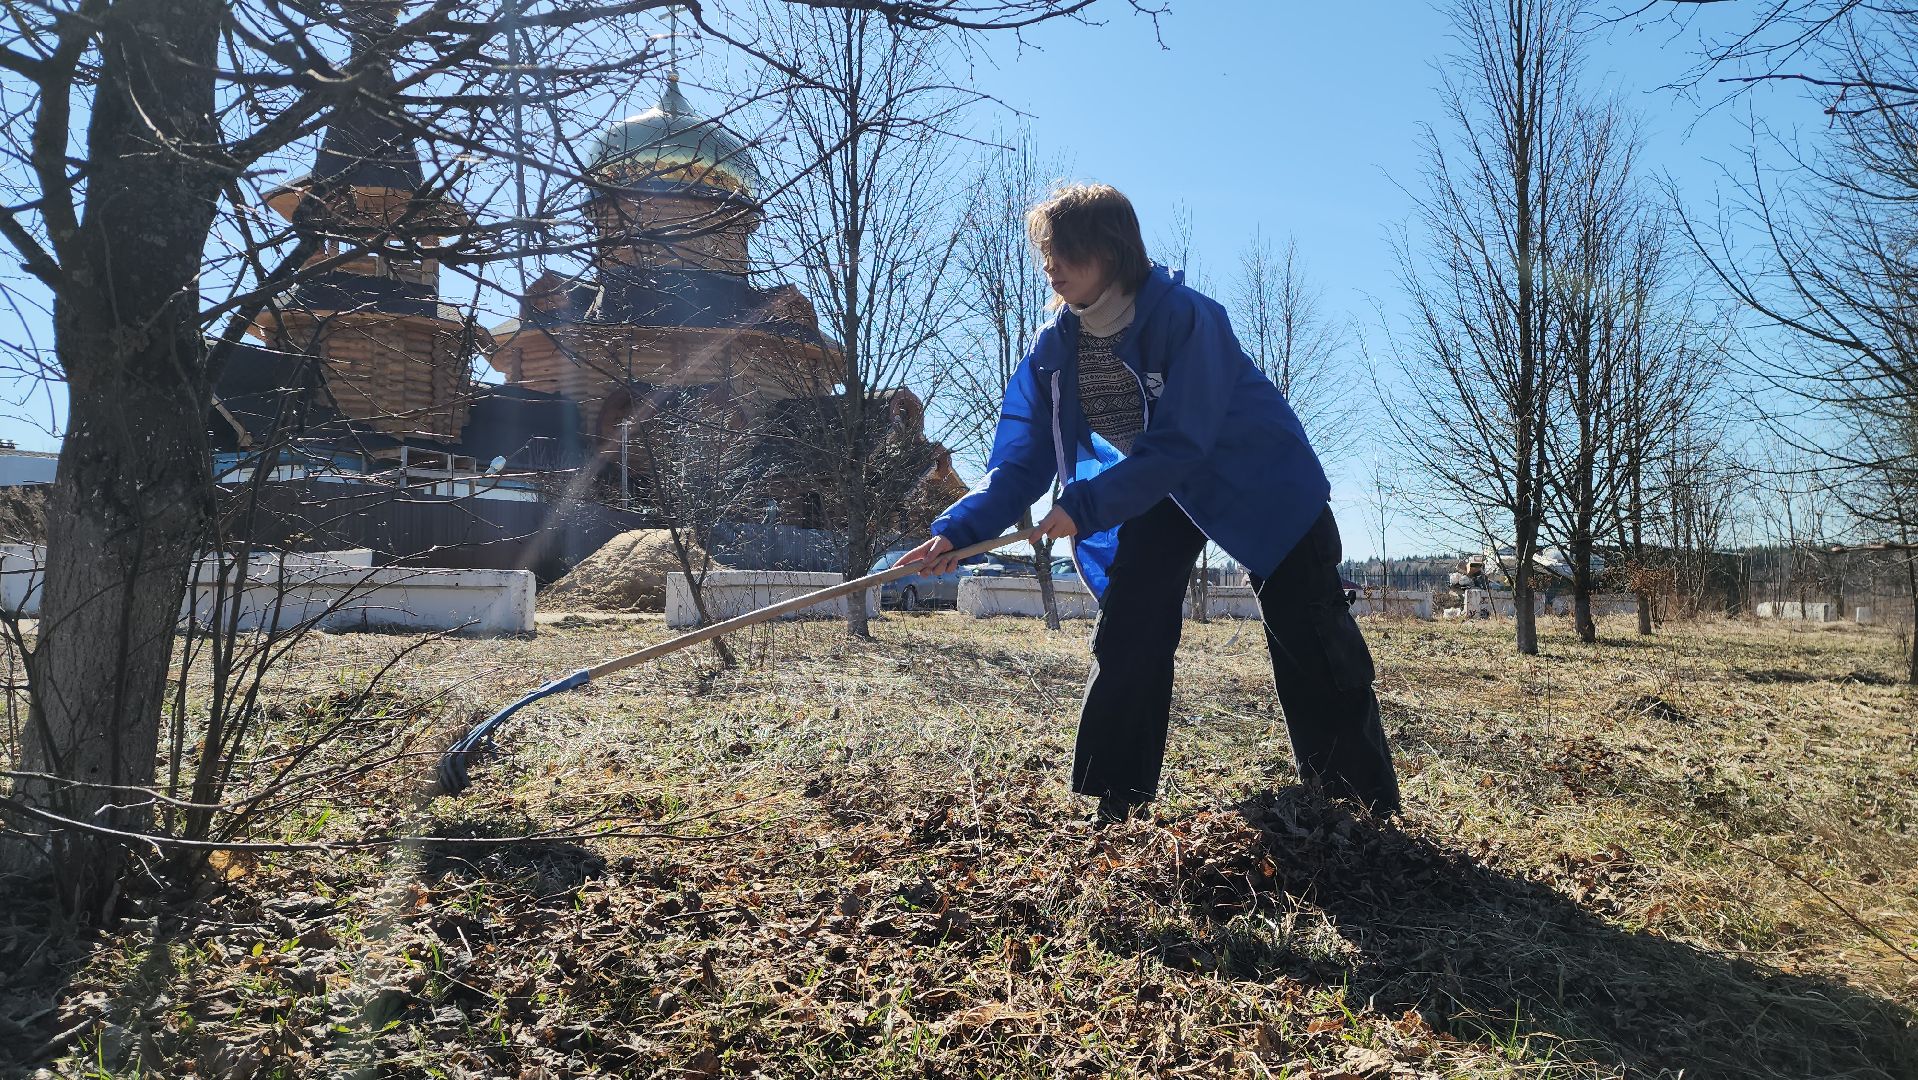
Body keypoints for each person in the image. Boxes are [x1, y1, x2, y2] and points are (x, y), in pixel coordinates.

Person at [901, 184, 1400, 824]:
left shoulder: (1187, 317)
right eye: (1046, 253)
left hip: (1261, 480)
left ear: (1111, 251)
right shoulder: (1054, 355)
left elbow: (1182, 441)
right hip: (1161, 487)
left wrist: (1086, 503)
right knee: (1133, 618)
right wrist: (957, 533)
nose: (1050, 265)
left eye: (1067, 251)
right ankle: (1115, 799)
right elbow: (1019, 464)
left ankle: (1356, 806)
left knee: (1309, 628)